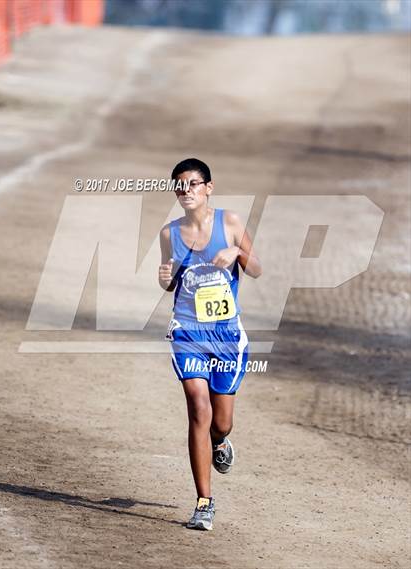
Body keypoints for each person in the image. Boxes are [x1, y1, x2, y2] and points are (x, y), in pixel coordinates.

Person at [158, 158, 262, 531]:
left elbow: (256, 268)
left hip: (226, 337)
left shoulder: (230, 223)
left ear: (209, 187)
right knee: (198, 410)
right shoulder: (170, 233)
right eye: (179, 186)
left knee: (221, 422)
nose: (185, 191)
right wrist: (165, 277)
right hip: (187, 333)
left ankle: (219, 441)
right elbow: (170, 284)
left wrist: (237, 253)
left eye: (192, 184)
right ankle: (204, 502)